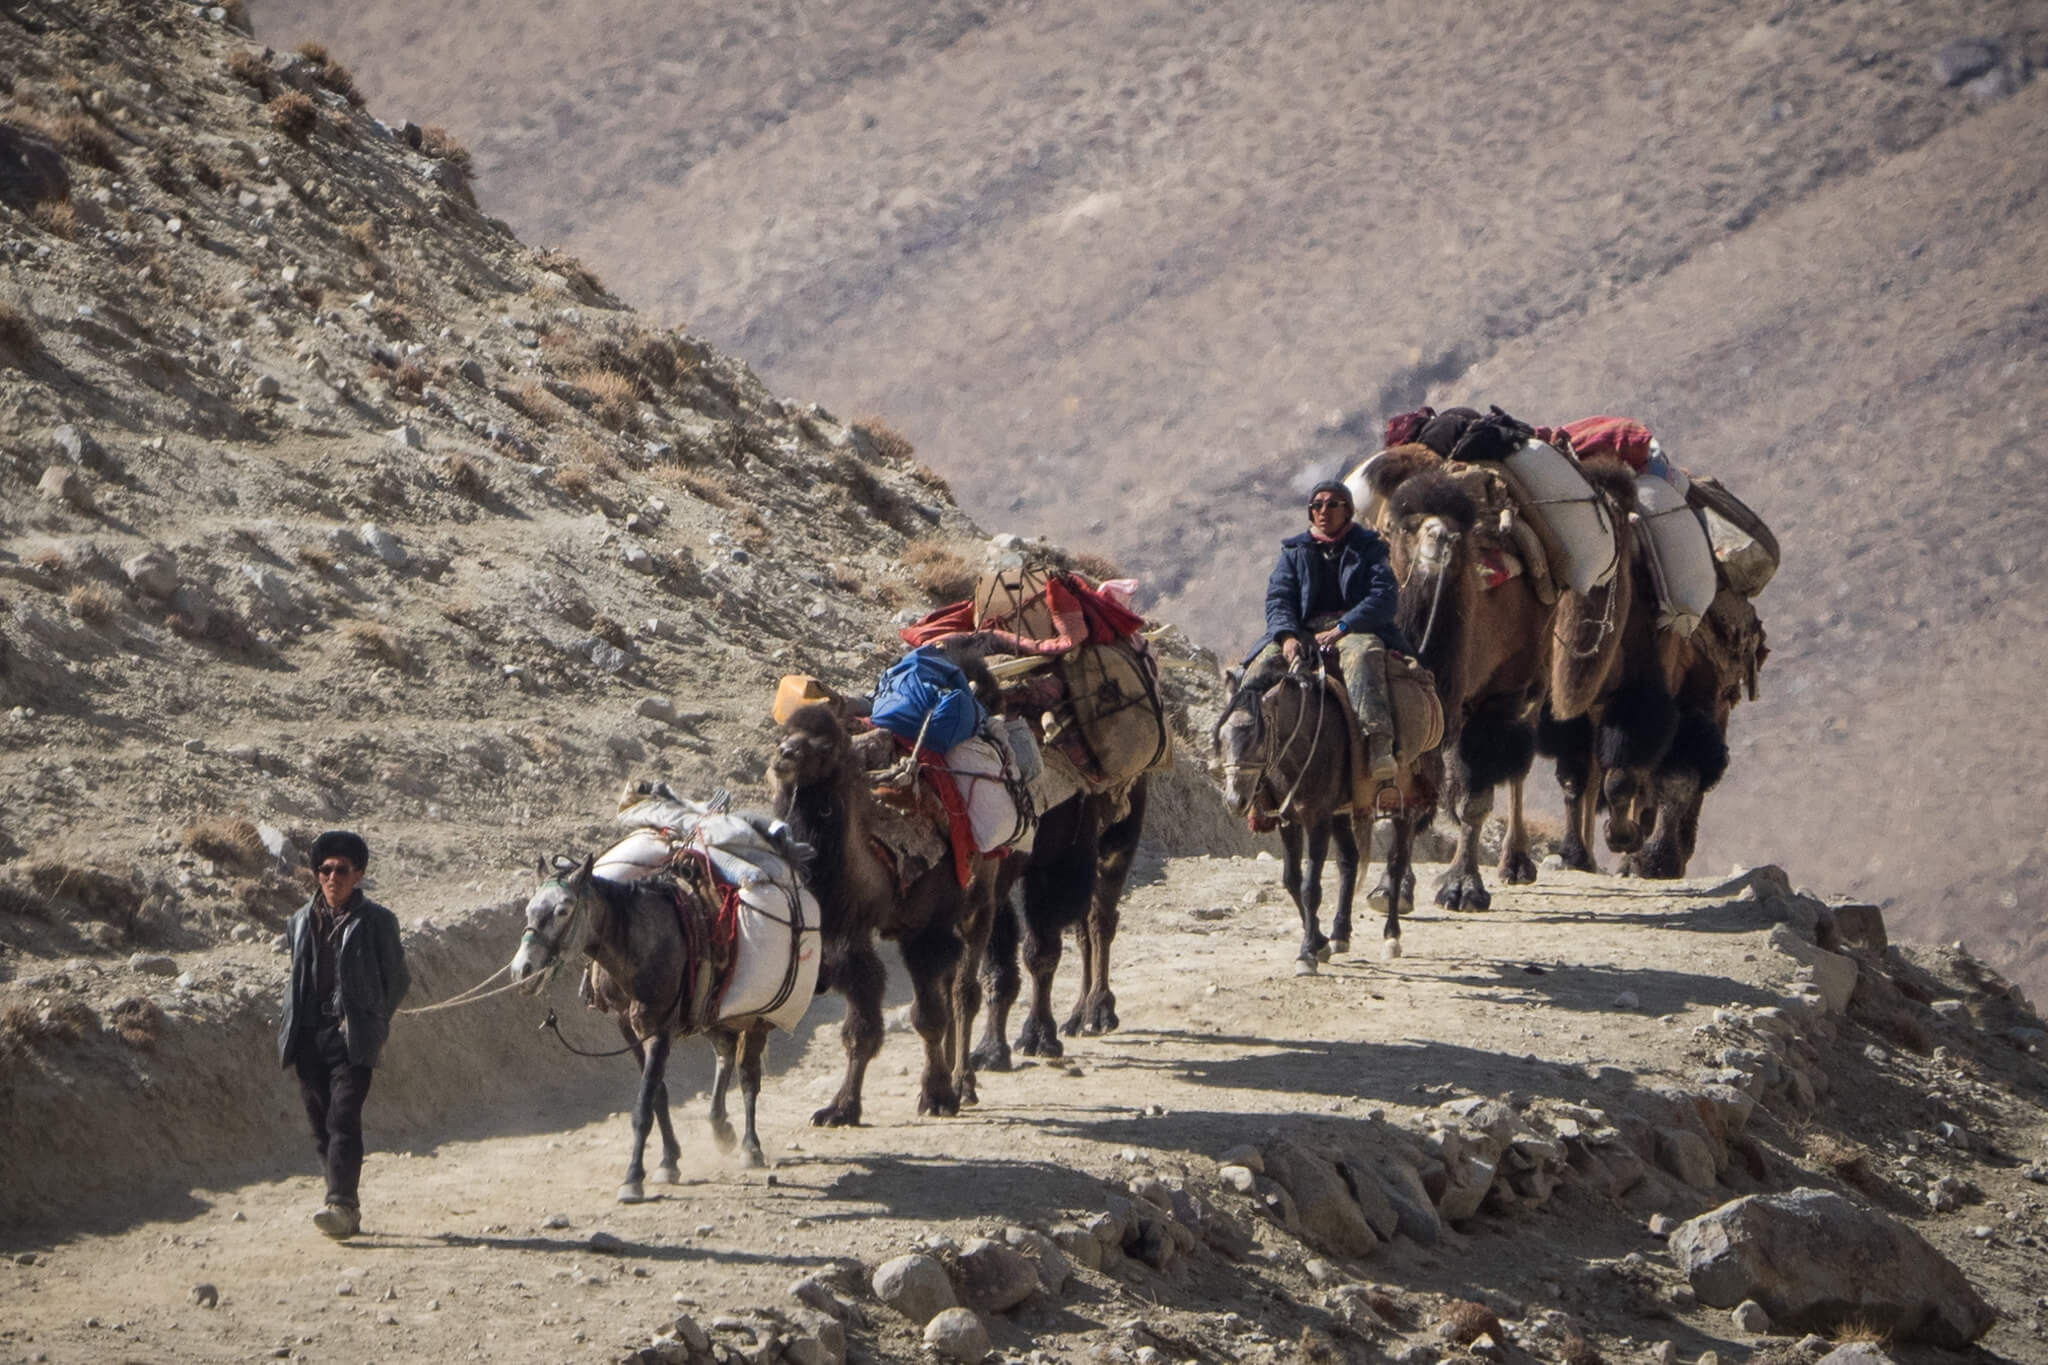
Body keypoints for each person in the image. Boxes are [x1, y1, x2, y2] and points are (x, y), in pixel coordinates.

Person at [277, 830, 410, 1239]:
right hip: (308, 1036)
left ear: (359, 875)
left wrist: (372, 1020)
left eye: (341, 870)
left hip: (351, 1038)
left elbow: (398, 980)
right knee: (320, 1125)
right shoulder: (298, 922)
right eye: (324, 870)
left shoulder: (378, 922)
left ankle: (341, 1204)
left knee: (343, 1119)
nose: (331, 877)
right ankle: (339, 1201)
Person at [1235, 481, 1408, 780]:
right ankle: (1242, 742)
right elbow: (1279, 598)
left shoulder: (1370, 548)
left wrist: (1344, 627)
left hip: (1355, 629)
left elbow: (1383, 597)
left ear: (1348, 510)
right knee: (1258, 669)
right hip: (1302, 631)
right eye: (1317, 505)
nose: (1323, 511)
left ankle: (1378, 742)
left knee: (1364, 656)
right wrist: (1287, 636)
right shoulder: (1294, 551)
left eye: (1332, 504)